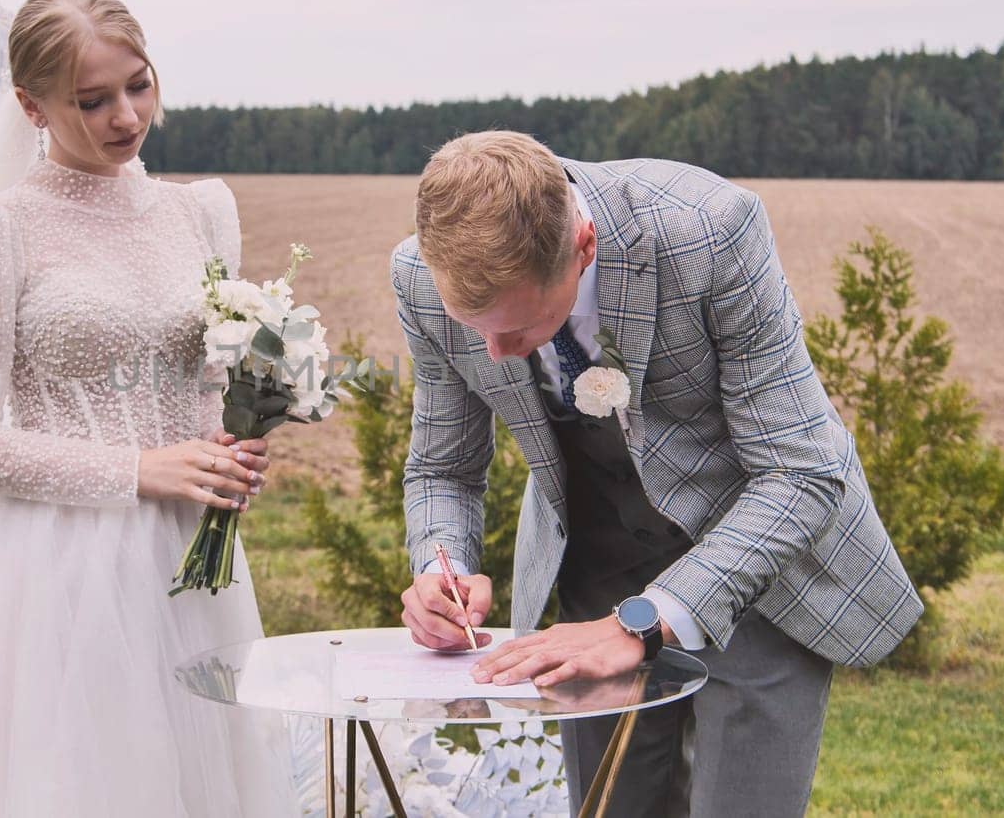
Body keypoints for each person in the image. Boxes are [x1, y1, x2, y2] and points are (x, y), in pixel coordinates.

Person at [0, 0, 294, 817]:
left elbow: (206, 387)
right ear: (30, 106)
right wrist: (137, 468)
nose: (125, 116)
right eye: (92, 100)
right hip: (56, 575)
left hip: (191, 568)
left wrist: (235, 443)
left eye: (138, 85)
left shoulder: (200, 213)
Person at [393, 131, 923, 817]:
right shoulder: (417, 277)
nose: (494, 356)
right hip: (592, 573)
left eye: (519, 330)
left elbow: (802, 470)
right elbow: (443, 468)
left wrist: (641, 623)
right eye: (476, 327)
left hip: (756, 568)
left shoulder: (708, 230)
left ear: (582, 246)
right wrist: (443, 566)